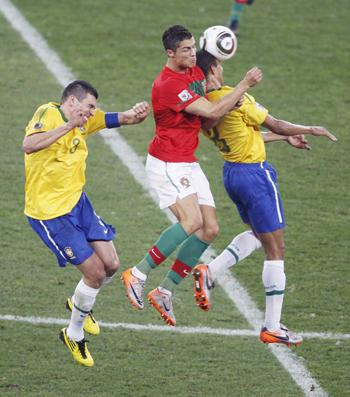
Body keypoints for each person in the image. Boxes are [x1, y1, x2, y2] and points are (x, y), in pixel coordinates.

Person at [121, 25, 262, 326]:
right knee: (191, 222)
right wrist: (244, 85)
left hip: (187, 159)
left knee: (209, 229)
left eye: (191, 47)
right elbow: (210, 112)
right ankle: (138, 272)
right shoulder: (167, 84)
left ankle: (164, 291)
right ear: (170, 53)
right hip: (167, 162)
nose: (190, 53)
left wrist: (226, 93)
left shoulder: (195, 73)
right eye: (184, 50)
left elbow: (212, 98)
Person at [193, 49, 337, 346]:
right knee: (276, 249)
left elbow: (246, 134)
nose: (222, 70)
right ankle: (272, 326)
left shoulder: (204, 106)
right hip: (255, 176)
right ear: (212, 71)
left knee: (259, 235)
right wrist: (311, 128)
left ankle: (210, 271)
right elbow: (275, 123)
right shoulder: (235, 95)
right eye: (219, 66)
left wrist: (285, 138)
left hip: (232, 173)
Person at [23, 80, 150, 367]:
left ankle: (79, 303)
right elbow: (29, 145)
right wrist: (69, 126)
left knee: (112, 265)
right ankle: (73, 332)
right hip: (50, 214)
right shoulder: (49, 113)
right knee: (94, 273)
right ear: (72, 101)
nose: (92, 112)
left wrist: (134, 114)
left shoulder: (86, 120)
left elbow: (116, 118)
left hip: (78, 205)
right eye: (89, 106)